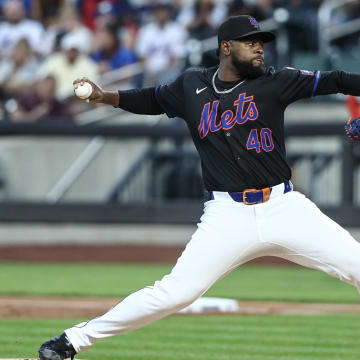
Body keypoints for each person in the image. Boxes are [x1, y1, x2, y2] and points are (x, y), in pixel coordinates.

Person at [38, 15, 360, 360]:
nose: (258, 49)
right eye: (250, 42)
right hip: (227, 214)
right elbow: (151, 99)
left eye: (260, 43)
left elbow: (339, 79)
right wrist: (106, 96)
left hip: (284, 207)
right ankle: (71, 341)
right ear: (226, 47)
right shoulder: (191, 86)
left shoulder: (277, 81)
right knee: (176, 292)